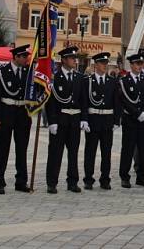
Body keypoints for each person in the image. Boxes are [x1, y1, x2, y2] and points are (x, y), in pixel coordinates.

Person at [0, 45, 33, 194]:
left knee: (22, 149)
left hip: (23, 113)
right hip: (6, 112)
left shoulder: (29, 72)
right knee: (2, 149)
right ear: (15, 57)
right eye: (23, 57)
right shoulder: (1, 72)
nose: (26, 59)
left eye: (27, 56)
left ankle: (21, 181)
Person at [45, 46, 83, 194]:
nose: (75, 60)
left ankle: (72, 181)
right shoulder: (56, 78)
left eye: (75, 58)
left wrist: (84, 119)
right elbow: (51, 102)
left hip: (74, 120)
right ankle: (52, 182)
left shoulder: (79, 77)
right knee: (55, 153)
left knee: (73, 153)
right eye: (72, 58)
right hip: (60, 120)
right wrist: (52, 121)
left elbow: (83, 100)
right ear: (64, 60)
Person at [80, 52, 117, 190]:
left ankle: (105, 179)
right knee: (90, 152)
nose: (105, 66)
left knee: (106, 153)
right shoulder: (88, 81)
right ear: (95, 65)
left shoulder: (112, 81)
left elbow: (116, 102)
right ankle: (88, 179)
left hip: (107, 121)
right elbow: (84, 101)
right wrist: (84, 119)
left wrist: (116, 120)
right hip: (93, 120)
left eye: (106, 63)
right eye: (102, 63)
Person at [117, 53, 144, 188]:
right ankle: (124, 177)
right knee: (128, 149)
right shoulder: (124, 80)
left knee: (143, 149)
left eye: (141, 64)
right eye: (137, 64)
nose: (139, 66)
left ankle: (141, 176)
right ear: (131, 65)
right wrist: (137, 113)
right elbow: (124, 100)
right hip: (130, 120)